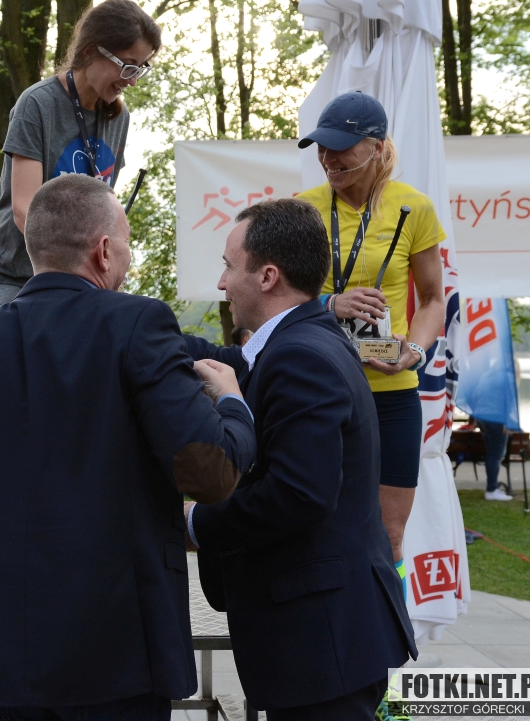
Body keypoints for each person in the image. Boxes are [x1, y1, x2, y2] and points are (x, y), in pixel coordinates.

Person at [0, 174, 256, 720]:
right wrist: (232, 405)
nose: (128, 260)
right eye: (128, 245)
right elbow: (209, 471)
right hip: (117, 653)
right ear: (104, 250)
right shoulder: (138, 324)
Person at [182, 199, 416, 720]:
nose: (222, 283)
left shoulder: (299, 355)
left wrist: (194, 522)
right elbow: (230, 360)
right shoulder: (304, 339)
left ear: (268, 276)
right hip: (326, 638)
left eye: (228, 267)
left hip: (322, 640)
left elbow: (297, 494)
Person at [296, 91, 446, 592]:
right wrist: (328, 303)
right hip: (320, 386)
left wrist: (415, 352)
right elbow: (277, 297)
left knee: (389, 535)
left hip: (390, 396)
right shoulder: (302, 209)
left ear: (377, 146)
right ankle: (329, 630)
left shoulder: (413, 207)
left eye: (340, 147)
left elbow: (433, 299)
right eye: (321, 146)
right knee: (316, 526)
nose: (328, 158)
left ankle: (390, 635)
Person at [0, 0, 161, 314]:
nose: (132, 80)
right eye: (127, 65)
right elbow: (23, 209)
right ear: (90, 51)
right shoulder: (37, 104)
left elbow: (103, 207)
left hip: (80, 280)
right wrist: (72, 273)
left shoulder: (119, 118)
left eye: (140, 69)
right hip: (13, 275)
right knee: (9, 345)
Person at [474, 418, 514, 501]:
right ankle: (492, 490)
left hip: (482, 418)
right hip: (498, 420)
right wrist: (507, 421)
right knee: (495, 455)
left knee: (491, 453)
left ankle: (493, 487)